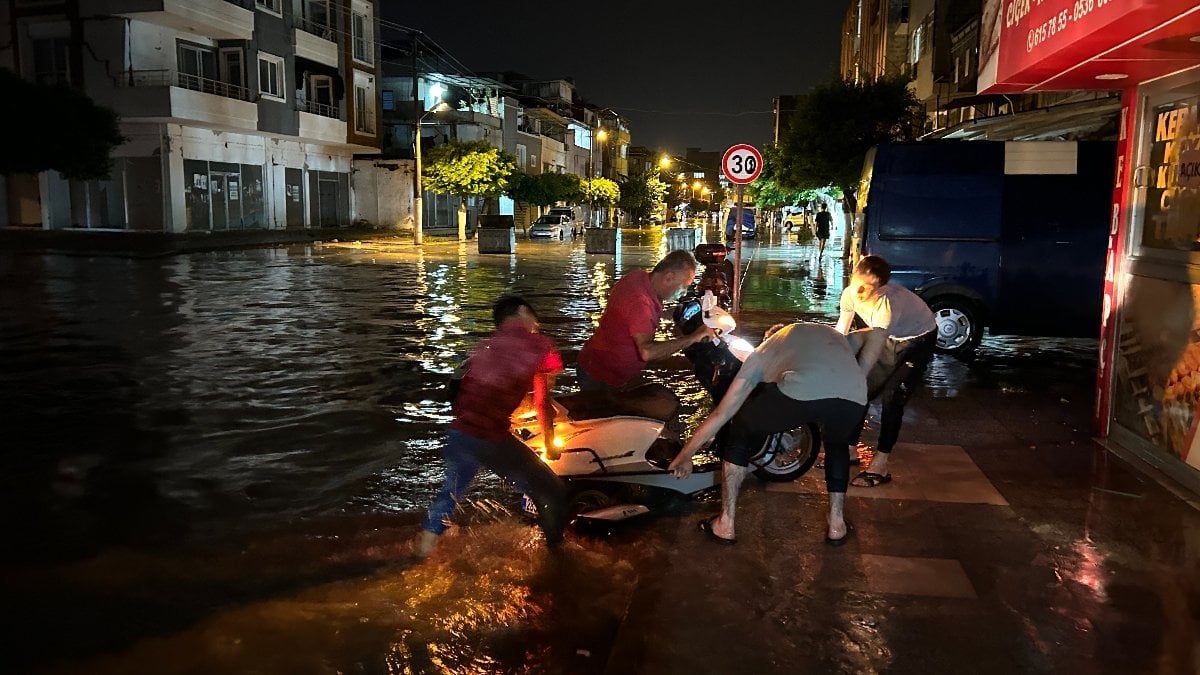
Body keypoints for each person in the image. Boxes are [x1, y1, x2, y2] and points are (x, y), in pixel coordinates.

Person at [669, 322, 868, 545]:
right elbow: (864, 339)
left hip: (805, 387)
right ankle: (836, 525)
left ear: (767, 338)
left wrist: (685, 455)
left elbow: (722, 413)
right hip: (857, 394)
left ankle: (725, 524)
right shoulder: (828, 334)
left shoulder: (765, 351)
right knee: (837, 446)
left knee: (740, 429)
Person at [415, 295, 567, 559]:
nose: (537, 323)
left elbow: (457, 388)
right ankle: (558, 553)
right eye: (534, 317)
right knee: (549, 489)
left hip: (459, 434)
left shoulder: (483, 347)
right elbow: (543, 402)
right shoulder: (538, 344)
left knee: (449, 496)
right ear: (522, 312)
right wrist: (550, 443)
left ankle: (420, 552)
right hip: (490, 437)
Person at [573, 249, 713, 423]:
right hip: (602, 376)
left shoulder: (639, 278)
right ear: (668, 277)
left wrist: (671, 314)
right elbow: (647, 351)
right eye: (684, 286)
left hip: (603, 365)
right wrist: (693, 337)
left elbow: (636, 317)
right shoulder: (640, 302)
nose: (684, 293)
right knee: (606, 424)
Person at [835, 254, 937, 488]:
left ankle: (881, 463)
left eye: (868, 287)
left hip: (917, 340)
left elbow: (871, 354)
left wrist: (855, 379)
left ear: (880, 287)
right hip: (888, 337)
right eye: (858, 282)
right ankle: (850, 449)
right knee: (862, 391)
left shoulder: (886, 305)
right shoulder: (850, 293)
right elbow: (841, 332)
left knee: (893, 398)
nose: (860, 290)